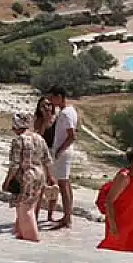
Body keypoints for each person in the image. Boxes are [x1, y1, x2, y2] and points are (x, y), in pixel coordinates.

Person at [2, 112, 55, 242]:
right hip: (39, 175)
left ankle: (32, 238)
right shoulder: (39, 138)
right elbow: (47, 160)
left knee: (25, 209)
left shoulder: (18, 140)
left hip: (26, 176)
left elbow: (15, 165)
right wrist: (50, 177)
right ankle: (20, 233)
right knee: (30, 206)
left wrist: (7, 181)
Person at [98, 148, 133, 255]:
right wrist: (113, 226)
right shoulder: (124, 177)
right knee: (110, 254)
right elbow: (109, 201)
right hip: (120, 224)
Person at [48, 85, 77, 229]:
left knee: (63, 184)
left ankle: (67, 217)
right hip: (64, 151)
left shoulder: (66, 113)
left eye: (52, 98)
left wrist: (59, 150)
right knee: (66, 183)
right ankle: (68, 214)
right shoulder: (69, 110)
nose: (51, 101)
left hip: (63, 151)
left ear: (59, 97)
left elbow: (72, 136)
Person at [32, 96, 59, 221]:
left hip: (54, 151)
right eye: (43, 105)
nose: (47, 107)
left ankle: (50, 214)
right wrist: (44, 120)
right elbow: (39, 136)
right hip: (43, 152)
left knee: (54, 185)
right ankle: (35, 214)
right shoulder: (38, 120)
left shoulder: (57, 118)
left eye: (48, 104)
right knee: (41, 184)